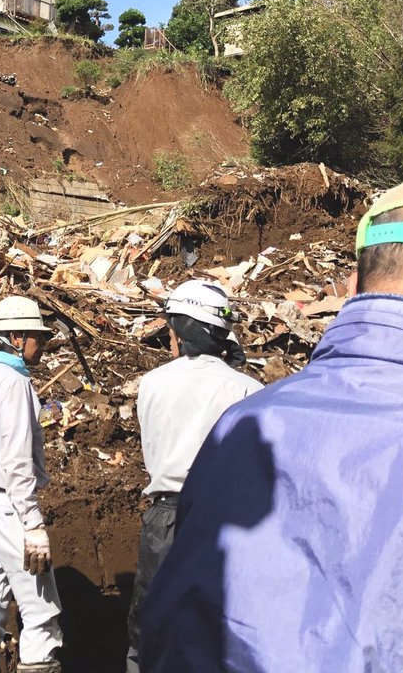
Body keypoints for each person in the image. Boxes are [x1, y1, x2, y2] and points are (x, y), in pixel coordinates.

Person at [141, 173, 403, 672]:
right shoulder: (241, 392)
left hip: (160, 517)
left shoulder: (242, 417)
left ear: (355, 285)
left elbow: (172, 630)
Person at [124, 280, 261, 673]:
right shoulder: (249, 389)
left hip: (164, 518)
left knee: (149, 626)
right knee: (217, 629)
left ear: (182, 330)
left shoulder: (152, 383)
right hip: (222, 522)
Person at [0, 295, 63, 673]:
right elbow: (17, 461)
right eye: (39, 338)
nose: (43, 345)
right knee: (40, 615)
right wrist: (32, 524)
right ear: (16, 337)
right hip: (9, 507)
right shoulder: (16, 384)